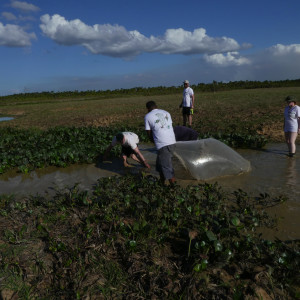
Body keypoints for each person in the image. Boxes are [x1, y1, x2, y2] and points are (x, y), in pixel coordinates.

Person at [145, 101, 176, 184]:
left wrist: (153, 141)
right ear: (156, 106)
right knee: (160, 165)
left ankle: (174, 188)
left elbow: (148, 132)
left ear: (148, 109)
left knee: (167, 167)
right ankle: (162, 182)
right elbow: (169, 126)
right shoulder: (166, 112)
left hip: (163, 144)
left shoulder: (148, 116)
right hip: (172, 141)